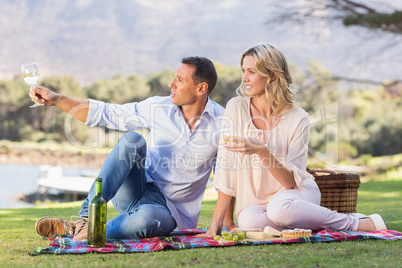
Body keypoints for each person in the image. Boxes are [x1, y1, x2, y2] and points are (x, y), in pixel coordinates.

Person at [202, 44, 387, 237]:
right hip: (259, 204)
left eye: (251, 72)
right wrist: (219, 224)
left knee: (279, 208)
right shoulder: (236, 107)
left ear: (272, 75)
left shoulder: (298, 117)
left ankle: (356, 223)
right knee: (248, 219)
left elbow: (290, 183)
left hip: (296, 195)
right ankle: (307, 225)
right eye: (243, 71)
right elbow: (227, 170)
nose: (244, 78)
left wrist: (262, 150)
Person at [31, 56, 225, 240]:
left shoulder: (222, 123)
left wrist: (225, 223)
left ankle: (86, 232)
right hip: (136, 189)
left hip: (170, 211)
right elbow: (107, 113)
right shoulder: (158, 107)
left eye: (180, 80)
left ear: (201, 88)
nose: (171, 84)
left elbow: (226, 180)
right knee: (132, 139)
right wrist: (57, 99)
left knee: (146, 219)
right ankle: (85, 220)